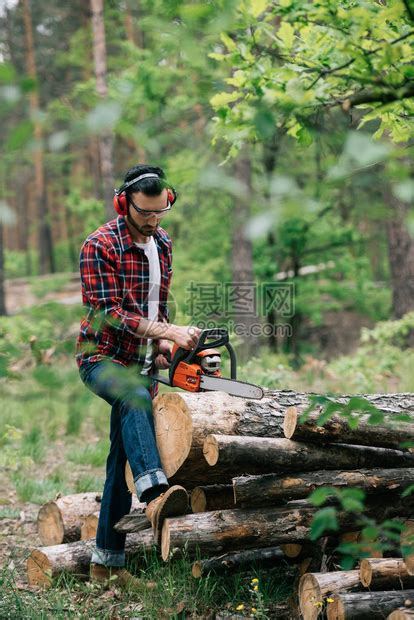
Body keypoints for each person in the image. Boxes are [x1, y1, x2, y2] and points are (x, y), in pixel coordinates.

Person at [76, 164, 201, 587]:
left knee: (118, 462)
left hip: (141, 361)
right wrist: (167, 331)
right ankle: (154, 494)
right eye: (144, 212)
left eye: (159, 212)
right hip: (102, 359)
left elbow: (155, 309)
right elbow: (110, 315)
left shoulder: (162, 243)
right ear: (123, 203)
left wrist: (164, 345)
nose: (152, 221)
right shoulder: (99, 245)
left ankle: (105, 564)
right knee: (132, 394)